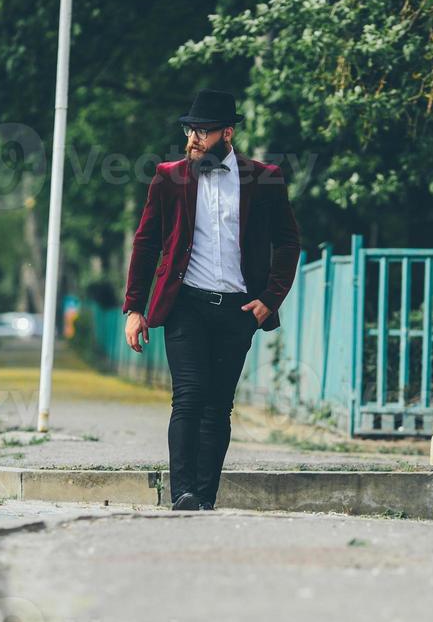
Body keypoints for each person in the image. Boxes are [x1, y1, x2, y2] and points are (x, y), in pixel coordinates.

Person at [123, 88, 301, 511]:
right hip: (185, 305)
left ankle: (204, 496)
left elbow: (288, 242)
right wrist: (134, 308)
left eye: (202, 132)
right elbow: (146, 245)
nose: (193, 140)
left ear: (227, 132)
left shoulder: (265, 178)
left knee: (219, 406)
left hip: (239, 310)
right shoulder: (168, 177)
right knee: (188, 395)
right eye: (190, 130)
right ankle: (182, 492)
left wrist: (269, 299)